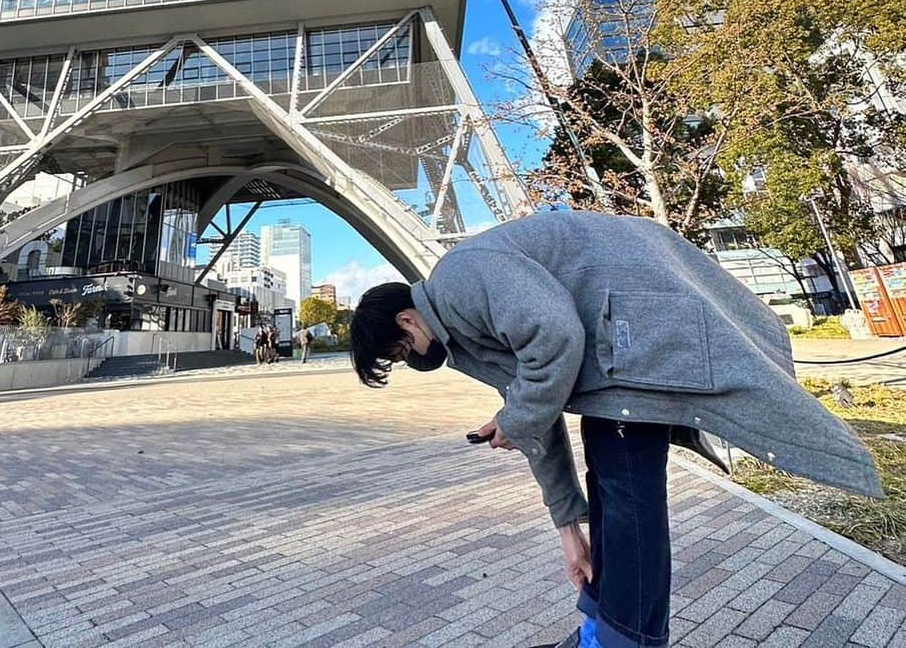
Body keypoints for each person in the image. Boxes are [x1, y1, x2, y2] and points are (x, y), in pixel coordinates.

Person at [350, 211, 882, 648]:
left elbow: (554, 335)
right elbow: (535, 408)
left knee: (627, 486)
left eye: (399, 354)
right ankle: (603, 630)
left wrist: (516, 418)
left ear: (406, 321)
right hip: (619, 353)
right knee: (612, 471)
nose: (411, 361)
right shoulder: (461, 330)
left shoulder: (459, 278)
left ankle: (622, 640)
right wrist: (567, 528)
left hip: (640, 330)